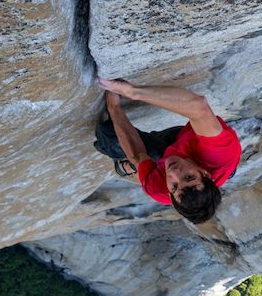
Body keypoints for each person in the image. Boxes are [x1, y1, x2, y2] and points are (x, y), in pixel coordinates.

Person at [93, 78, 241, 224]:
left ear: (170, 196)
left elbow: (137, 155)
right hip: (190, 143)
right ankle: (227, 172)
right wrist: (132, 92)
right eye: (189, 177)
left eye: (175, 186)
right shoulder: (218, 154)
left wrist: (114, 107)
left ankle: (128, 168)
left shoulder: (158, 189)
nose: (174, 172)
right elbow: (199, 107)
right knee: (163, 152)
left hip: (179, 152)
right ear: (204, 173)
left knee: (108, 135)